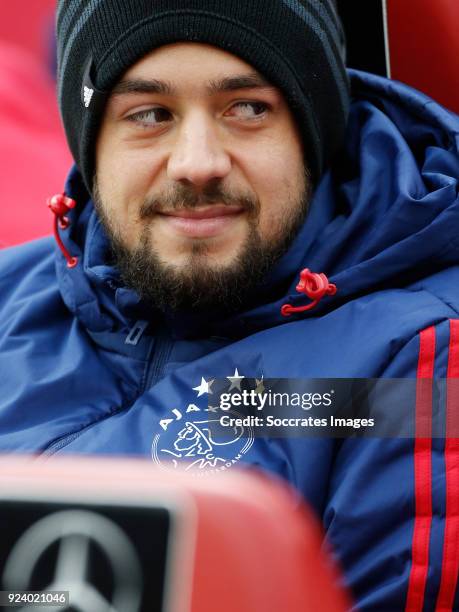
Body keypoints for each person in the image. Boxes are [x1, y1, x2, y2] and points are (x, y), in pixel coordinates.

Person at [0, 1, 458, 609]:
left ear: (311, 131)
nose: (198, 164)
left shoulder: (413, 363)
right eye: (150, 114)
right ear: (90, 145)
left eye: (246, 109)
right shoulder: (9, 298)